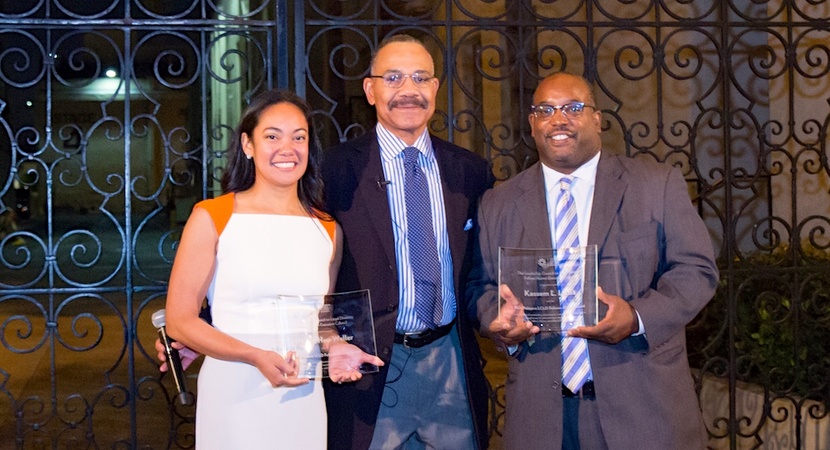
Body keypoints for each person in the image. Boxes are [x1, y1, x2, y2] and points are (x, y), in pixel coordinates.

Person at [466, 72, 719, 449]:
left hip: (644, 411)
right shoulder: (498, 203)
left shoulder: (655, 185)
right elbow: (479, 286)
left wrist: (636, 317)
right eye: (545, 110)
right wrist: (496, 319)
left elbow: (696, 272)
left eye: (573, 107)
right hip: (541, 419)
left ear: (597, 119)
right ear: (533, 124)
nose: (559, 119)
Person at [163, 89, 382, 450]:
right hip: (235, 390)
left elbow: (320, 316)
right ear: (248, 145)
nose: (287, 148)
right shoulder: (213, 217)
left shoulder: (326, 228)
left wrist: (336, 345)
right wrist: (253, 355)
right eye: (272, 136)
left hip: (303, 395)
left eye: (299, 137)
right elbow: (180, 321)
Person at [320, 34, 493, 450]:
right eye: (393, 77)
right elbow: (298, 260)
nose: (408, 90)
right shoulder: (334, 169)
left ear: (435, 88)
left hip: (450, 359)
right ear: (370, 89)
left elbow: (482, 270)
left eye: (420, 78)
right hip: (371, 366)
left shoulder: (470, 171)